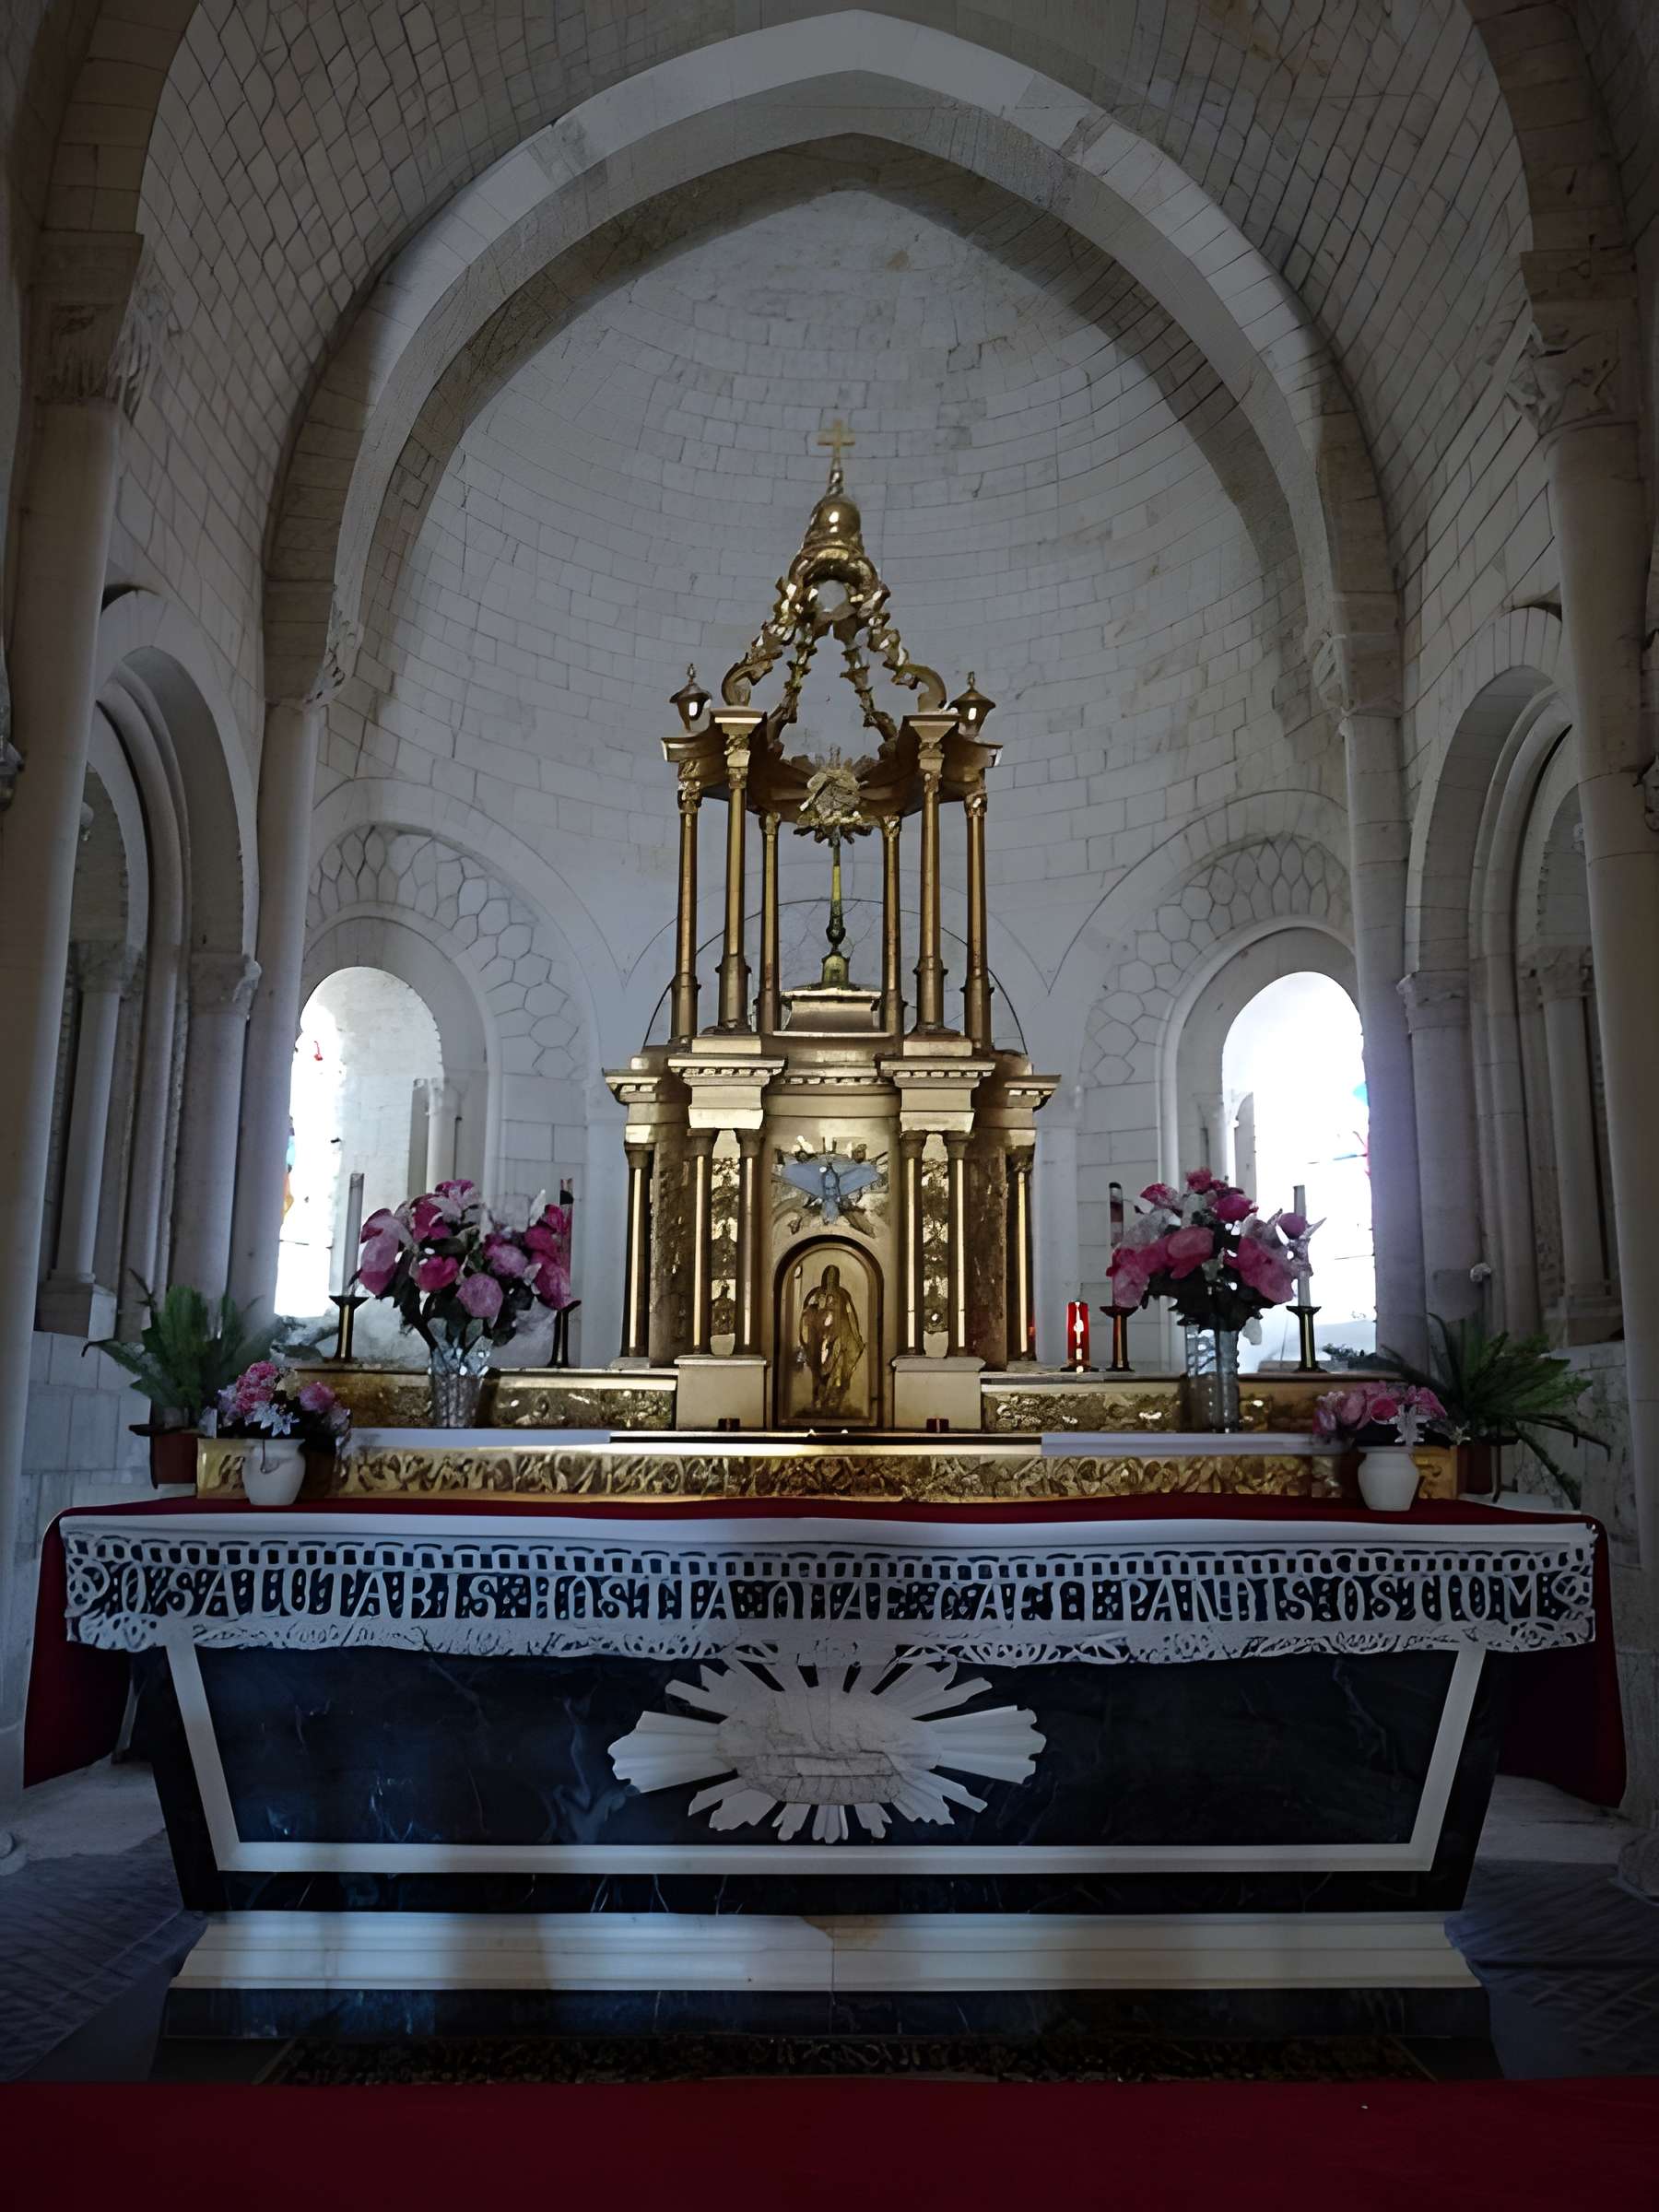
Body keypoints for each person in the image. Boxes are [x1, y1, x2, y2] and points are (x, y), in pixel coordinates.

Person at [798, 1262, 864, 1415]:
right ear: (824, 1276)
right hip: (821, 1339)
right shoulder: (817, 1293)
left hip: (839, 1338)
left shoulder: (843, 1295)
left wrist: (856, 1336)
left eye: (834, 1275)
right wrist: (818, 1307)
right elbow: (807, 1316)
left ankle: (834, 1400)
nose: (831, 1277)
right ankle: (819, 1399)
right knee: (821, 1370)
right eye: (829, 1274)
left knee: (838, 1370)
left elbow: (850, 1316)